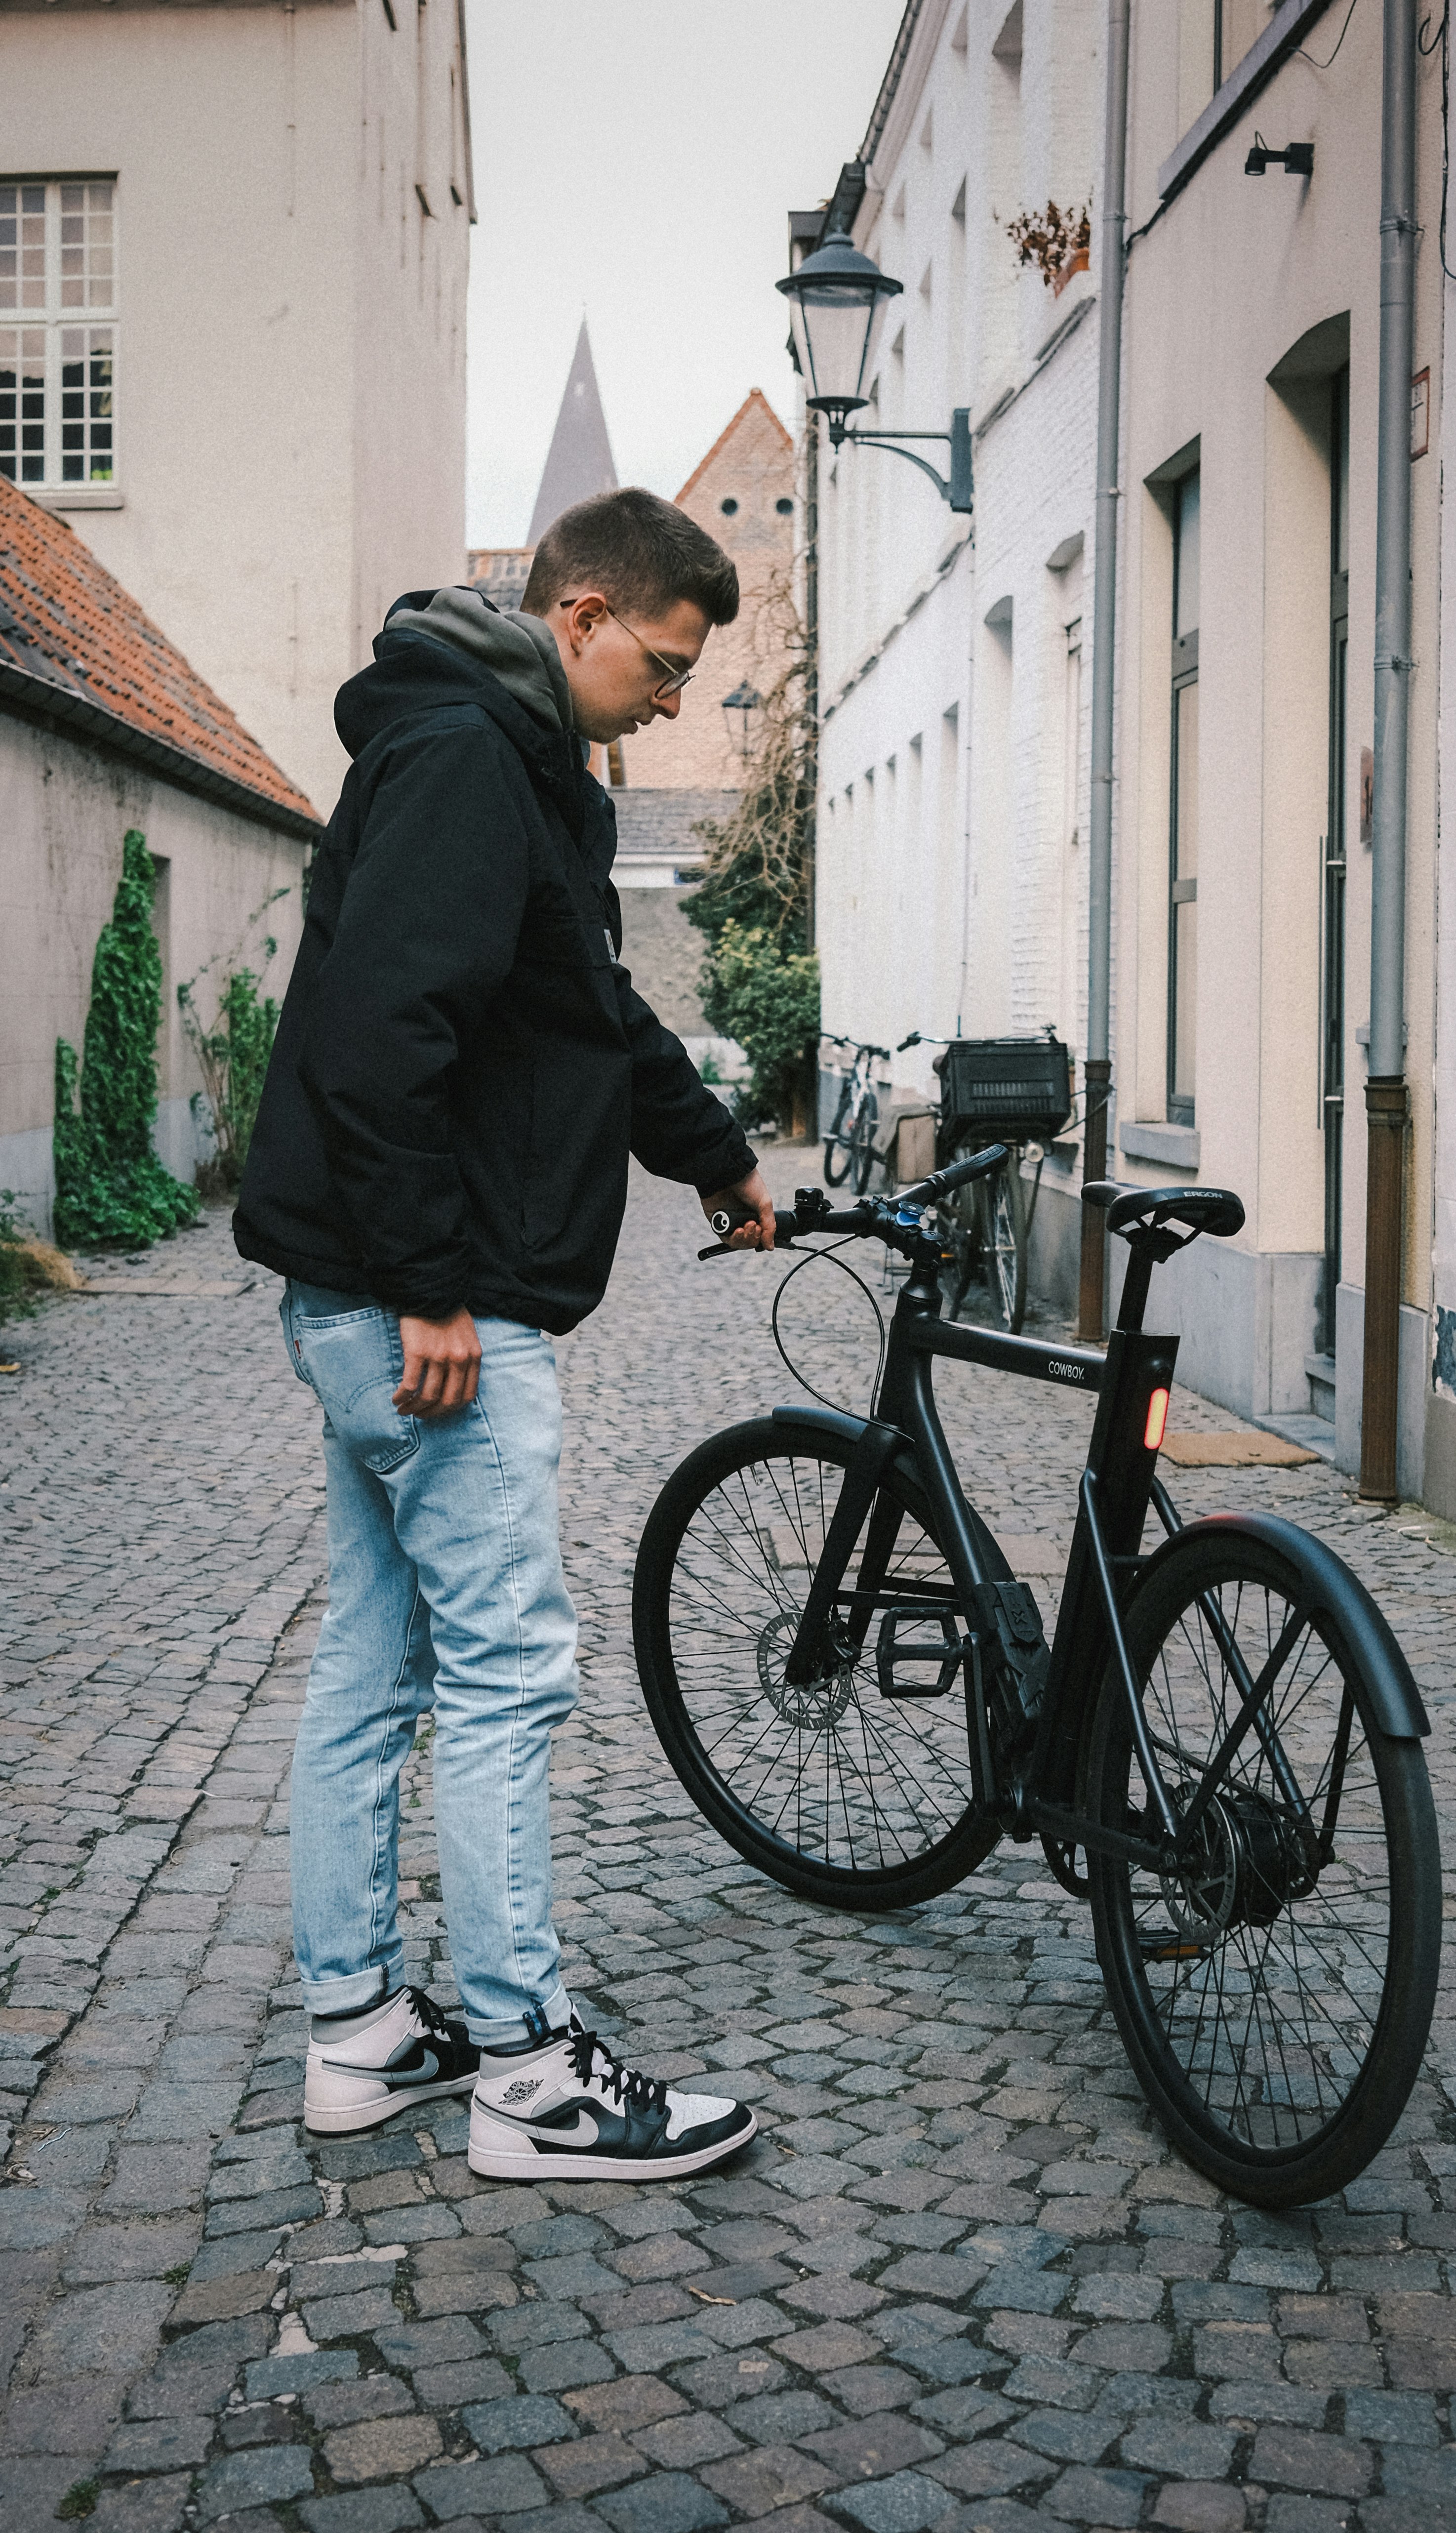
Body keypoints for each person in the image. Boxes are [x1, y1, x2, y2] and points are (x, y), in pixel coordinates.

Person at [235, 490, 775, 2183]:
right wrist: (432, 1285)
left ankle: (361, 2036)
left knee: (375, 1662)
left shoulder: (505, 758)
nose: (677, 705)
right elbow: (377, 1032)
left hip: (373, 1291)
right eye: (667, 669)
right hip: (426, 1305)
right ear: (586, 611)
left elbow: (585, 1009)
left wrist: (718, 1159)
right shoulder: (474, 755)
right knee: (502, 1678)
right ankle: (532, 2081)